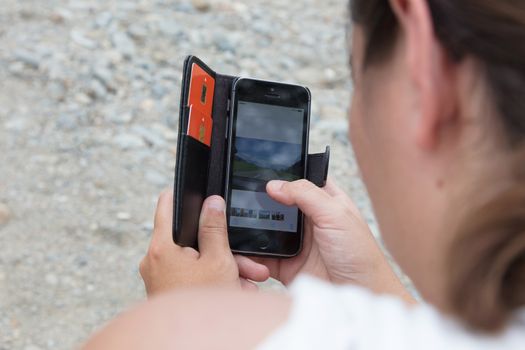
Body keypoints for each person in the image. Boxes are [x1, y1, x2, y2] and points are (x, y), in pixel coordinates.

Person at [84, 0, 525, 348]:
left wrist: (184, 318)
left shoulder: (166, 336)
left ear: (423, 70)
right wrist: (374, 295)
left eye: (358, 80)